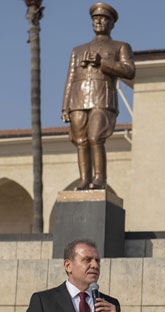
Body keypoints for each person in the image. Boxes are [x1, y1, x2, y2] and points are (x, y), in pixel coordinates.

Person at [61, 2, 135, 190]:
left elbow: (129, 70)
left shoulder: (120, 46)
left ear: (112, 24)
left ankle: (100, 178)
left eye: (103, 18)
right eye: (95, 19)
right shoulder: (77, 50)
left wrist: (103, 62)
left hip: (102, 97)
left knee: (95, 137)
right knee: (80, 141)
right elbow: (70, 78)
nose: (98, 21)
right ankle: (84, 179)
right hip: (78, 98)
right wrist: (65, 106)